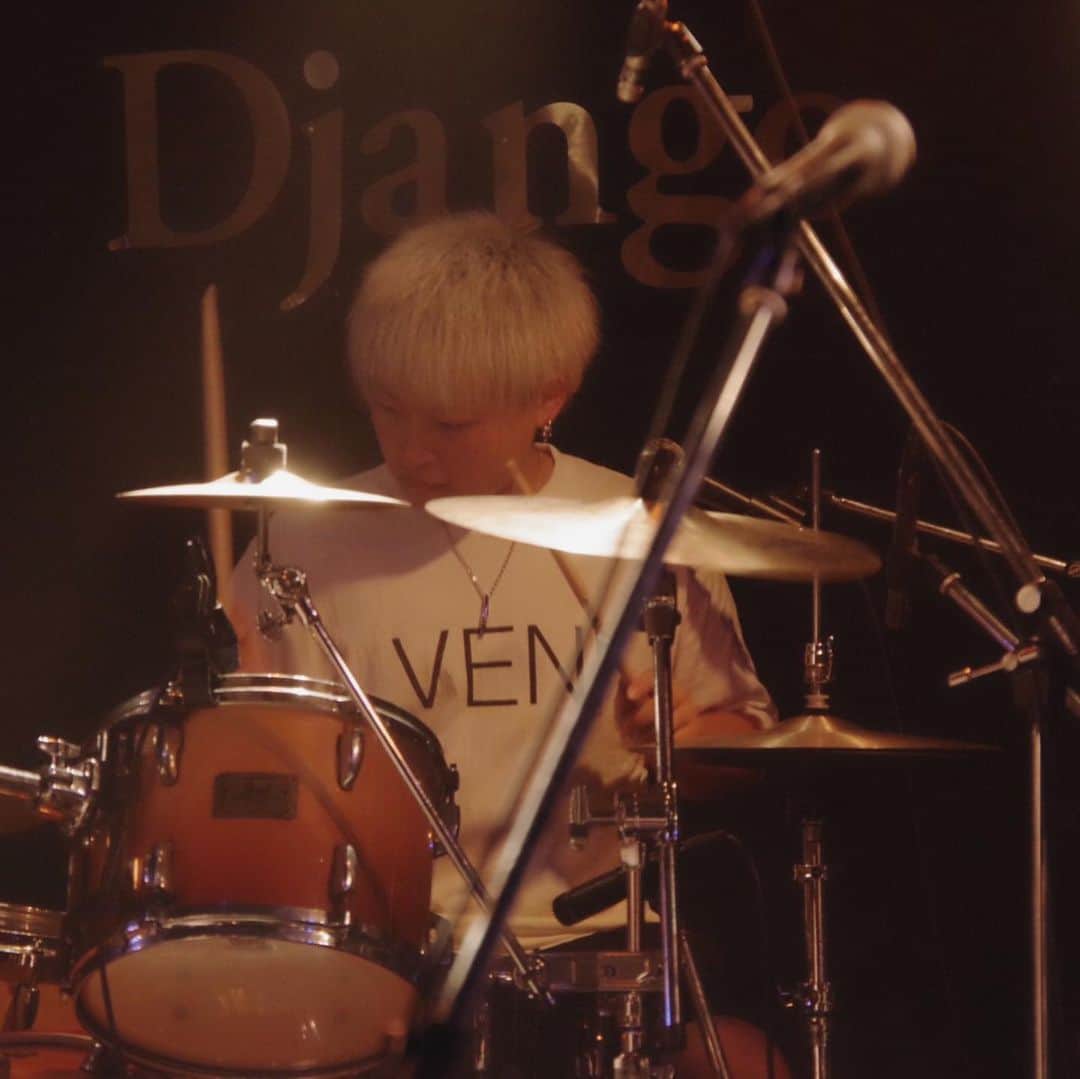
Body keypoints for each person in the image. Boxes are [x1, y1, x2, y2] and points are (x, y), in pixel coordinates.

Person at [230, 212, 787, 1076]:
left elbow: (752, 749)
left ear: (549, 398)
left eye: (451, 426)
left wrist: (676, 740)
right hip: (386, 958)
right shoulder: (299, 546)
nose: (413, 452)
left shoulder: (641, 534)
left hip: (604, 951)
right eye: (388, 411)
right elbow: (241, 786)